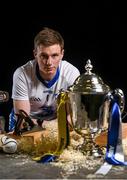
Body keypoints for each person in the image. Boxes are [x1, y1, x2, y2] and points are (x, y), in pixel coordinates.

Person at [9, 27, 80, 132]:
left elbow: (71, 121)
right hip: (27, 125)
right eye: (44, 56)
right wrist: (50, 125)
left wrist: (46, 125)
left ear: (62, 54)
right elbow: (24, 122)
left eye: (54, 55)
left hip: (56, 123)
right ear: (35, 54)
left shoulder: (71, 73)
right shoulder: (22, 74)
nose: (49, 62)